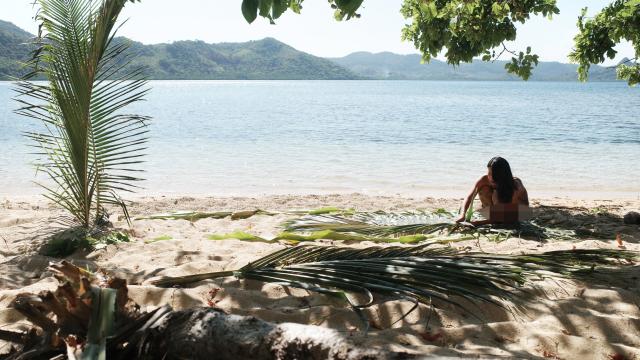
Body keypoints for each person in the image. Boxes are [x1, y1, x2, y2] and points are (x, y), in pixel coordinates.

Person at [456, 156, 530, 224]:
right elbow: (469, 196)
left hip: (516, 214)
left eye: (493, 174)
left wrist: (478, 223)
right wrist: (462, 214)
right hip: (496, 212)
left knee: (496, 194)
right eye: (489, 173)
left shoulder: (515, 186)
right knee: (484, 188)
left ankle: (491, 216)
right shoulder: (484, 179)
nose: (490, 177)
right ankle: (489, 214)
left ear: (502, 175)